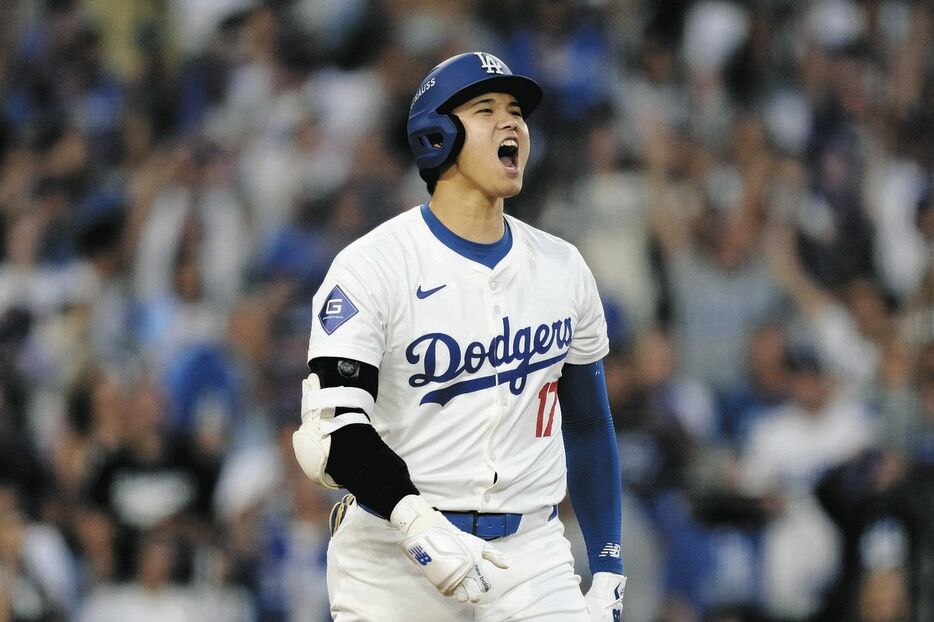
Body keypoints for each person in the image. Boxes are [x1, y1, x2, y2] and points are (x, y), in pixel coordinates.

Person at [292, 51, 626, 621]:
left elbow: (590, 425)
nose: (511, 123)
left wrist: (608, 564)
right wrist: (413, 519)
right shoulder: (372, 267)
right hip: (392, 553)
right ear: (435, 135)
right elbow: (332, 433)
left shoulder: (563, 267)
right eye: (486, 108)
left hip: (531, 555)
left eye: (517, 111)